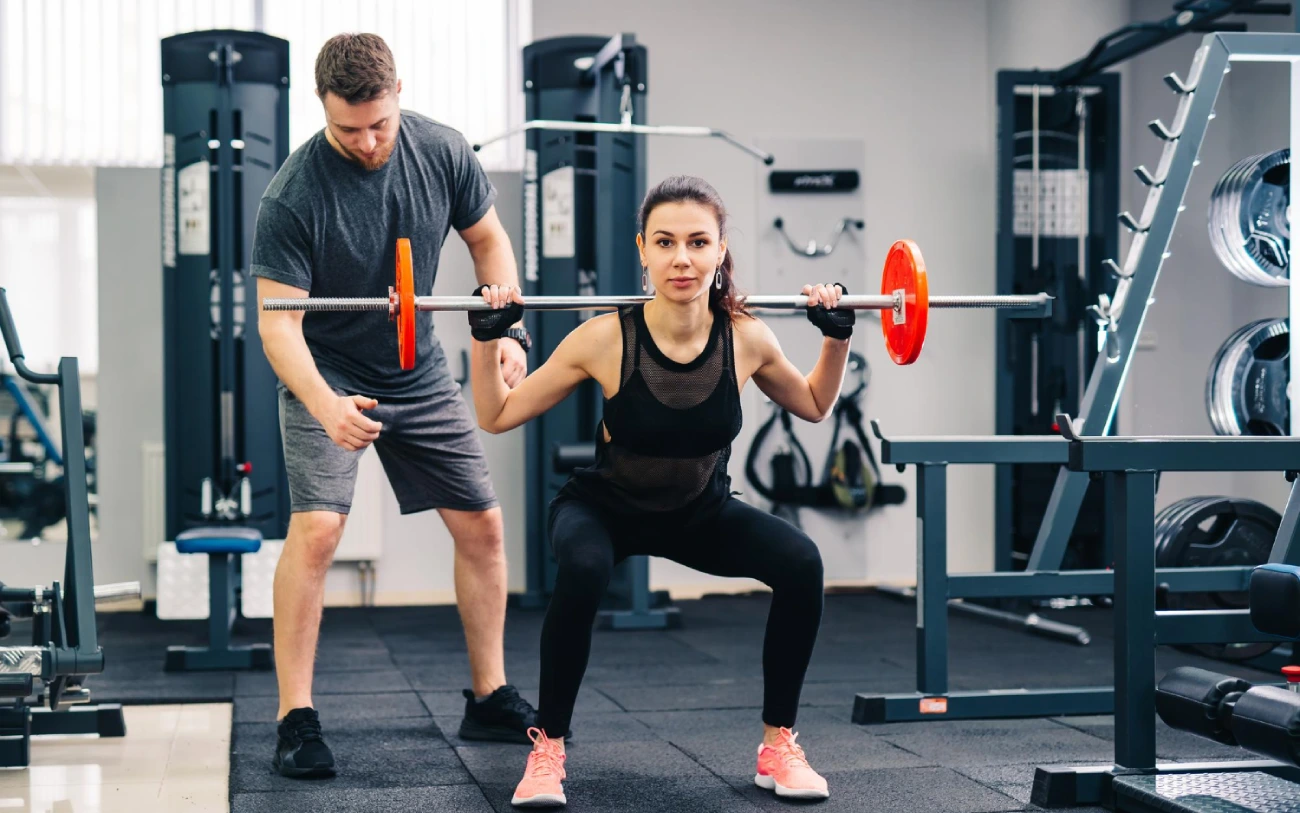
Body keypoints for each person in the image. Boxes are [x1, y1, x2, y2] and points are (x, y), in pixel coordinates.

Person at [468, 175, 853, 807]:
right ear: (642, 249)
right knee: (584, 568)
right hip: (603, 510)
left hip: (700, 513)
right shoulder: (604, 338)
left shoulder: (747, 337)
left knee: (800, 562)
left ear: (721, 250)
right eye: (666, 242)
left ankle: (778, 745)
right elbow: (497, 414)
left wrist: (836, 337)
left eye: (698, 242)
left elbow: (814, 404)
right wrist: (487, 340)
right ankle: (548, 750)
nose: (682, 259)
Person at [252, 33, 545, 779]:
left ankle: (489, 695)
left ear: (398, 94)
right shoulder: (292, 194)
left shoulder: (442, 151)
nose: (367, 141)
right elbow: (278, 327)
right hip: (326, 369)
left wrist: (509, 329)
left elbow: (490, 243)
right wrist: (325, 405)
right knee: (318, 530)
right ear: (321, 107)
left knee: (483, 525)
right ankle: (295, 717)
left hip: (418, 370)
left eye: (378, 124)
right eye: (347, 128)